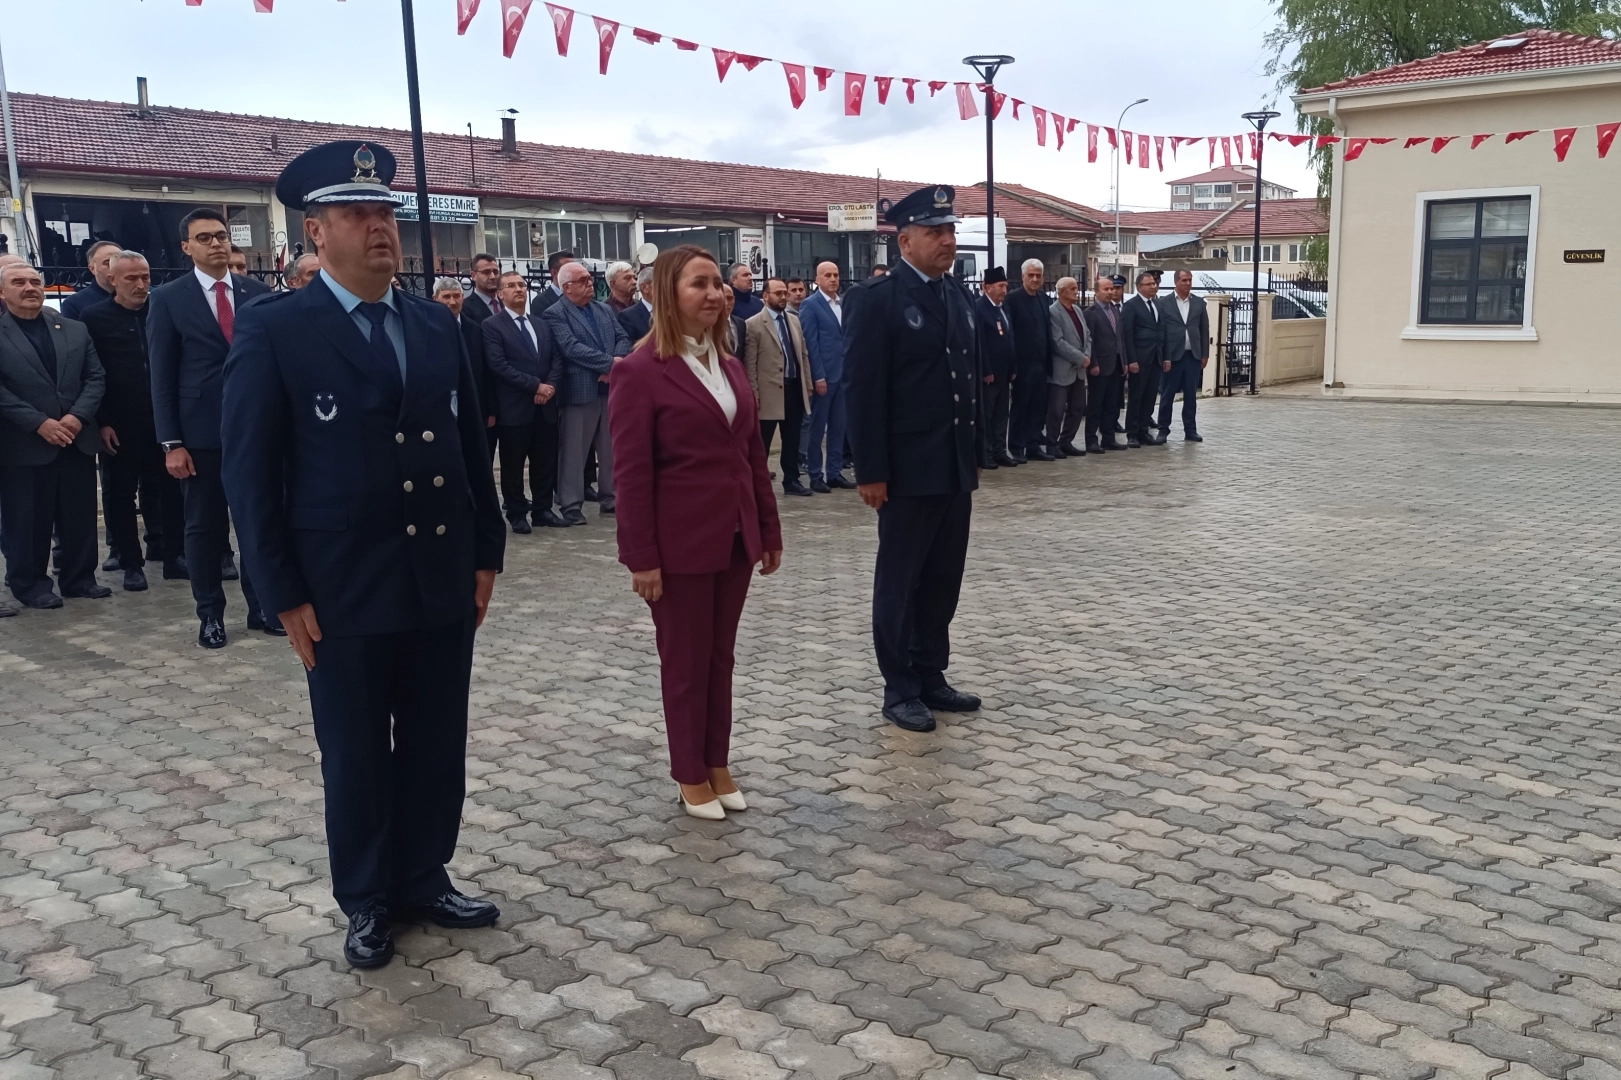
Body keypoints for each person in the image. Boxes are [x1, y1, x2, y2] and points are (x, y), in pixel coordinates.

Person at [221, 140, 506, 970]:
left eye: (386, 214)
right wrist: (279, 590)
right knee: (353, 751)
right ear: (316, 231)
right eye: (358, 215)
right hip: (340, 584)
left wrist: (485, 552)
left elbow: (468, 446)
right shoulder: (276, 329)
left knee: (434, 740)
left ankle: (422, 876)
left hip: (439, 571)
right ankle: (367, 897)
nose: (381, 229)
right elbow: (250, 472)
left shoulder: (434, 321)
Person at [609, 244, 782, 819]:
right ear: (668, 294)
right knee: (685, 663)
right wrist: (640, 556)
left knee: (719, 658)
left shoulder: (729, 365)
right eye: (698, 284)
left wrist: (768, 529)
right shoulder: (639, 372)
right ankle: (689, 772)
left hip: (734, 537)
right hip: (678, 545)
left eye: (716, 284)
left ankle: (716, 762)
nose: (714, 294)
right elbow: (631, 473)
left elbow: (751, 456)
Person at [844, 185, 985, 734]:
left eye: (950, 231)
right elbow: (864, 390)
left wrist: (973, 453)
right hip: (905, 469)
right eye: (935, 232)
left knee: (943, 578)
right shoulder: (876, 299)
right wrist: (872, 470)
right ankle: (899, 688)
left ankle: (930, 673)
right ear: (905, 241)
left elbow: (965, 382)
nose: (947, 240)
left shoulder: (958, 296)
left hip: (952, 465)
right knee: (900, 582)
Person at [149, 208, 277, 647]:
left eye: (221, 236)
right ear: (186, 247)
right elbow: (162, 376)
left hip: (255, 430)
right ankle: (210, 615)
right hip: (199, 435)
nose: (216, 243)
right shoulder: (169, 298)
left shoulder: (257, 293)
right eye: (204, 238)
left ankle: (262, 607)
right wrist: (171, 442)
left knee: (258, 523)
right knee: (204, 529)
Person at [0, 264, 109, 608]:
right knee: (28, 519)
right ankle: (31, 584)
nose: (29, 287)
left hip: (75, 438)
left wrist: (78, 416)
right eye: (18, 282)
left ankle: (79, 579)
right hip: (25, 443)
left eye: (35, 281)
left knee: (79, 515)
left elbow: (95, 377)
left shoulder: (74, 328)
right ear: (2, 293)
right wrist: (38, 422)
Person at [82, 251, 184, 590]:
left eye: (145, 277)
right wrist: (102, 421)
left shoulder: (163, 309)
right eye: (131, 278)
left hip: (163, 418)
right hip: (120, 422)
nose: (141, 284)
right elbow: (91, 372)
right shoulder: (94, 317)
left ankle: (174, 555)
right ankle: (131, 563)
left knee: (171, 490)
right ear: (113, 280)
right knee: (121, 494)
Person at [543, 260, 628, 525]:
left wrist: (616, 364)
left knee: (611, 448)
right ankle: (570, 503)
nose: (590, 284)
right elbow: (570, 347)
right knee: (574, 451)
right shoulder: (555, 313)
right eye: (583, 281)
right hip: (579, 390)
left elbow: (623, 338)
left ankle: (610, 497)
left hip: (609, 389)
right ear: (566, 287)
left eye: (590, 279)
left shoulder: (603, 309)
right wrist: (609, 364)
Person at [484, 270, 565, 532]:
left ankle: (543, 510)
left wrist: (550, 386)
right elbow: (498, 365)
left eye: (521, 284)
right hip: (515, 408)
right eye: (511, 285)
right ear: (500, 293)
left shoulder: (541, 324)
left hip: (545, 406)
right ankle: (517, 512)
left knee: (544, 462)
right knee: (513, 465)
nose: (518, 289)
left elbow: (556, 359)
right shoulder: (492, 326)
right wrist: (535, 385)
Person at [743, 277, 812, 497]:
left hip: (794, 388)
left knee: (792, 439)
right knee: (763, 442)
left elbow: (803, 354)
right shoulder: (753, 324)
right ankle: (757, 483)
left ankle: (791, 480)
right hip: (768, 392)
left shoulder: (793, 320)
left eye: (785, 293)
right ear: (765, 296)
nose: (784, 297)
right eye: (778, 293)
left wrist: (807, 384)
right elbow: (750, 364)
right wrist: (754, 394)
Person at [799, 259, 853, 492]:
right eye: (828, 275)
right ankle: (815, 474)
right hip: (824, 376)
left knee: (839, 427)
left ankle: (834, 472)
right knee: (817, 427)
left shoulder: (842, 303)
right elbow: (810, 343)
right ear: (817, 279)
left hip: (843, 375)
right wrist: (818, 376)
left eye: (836, 275)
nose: (833, 279)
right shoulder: (810, 305)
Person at [434, 276, 500, 460]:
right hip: (440, 408)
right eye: (446, 296)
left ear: (463, 298)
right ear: (435, 298)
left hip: (473, 406)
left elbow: (487, 371)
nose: (452, 302)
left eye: (457, 296)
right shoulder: (424, 329)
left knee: (476, 458)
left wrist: (491, 409)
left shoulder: (476, 330)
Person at [1004, 259, 1055, 462]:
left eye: (1038, 276)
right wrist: (1013, 364)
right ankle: (1016, 447)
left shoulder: (1043, 298)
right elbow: (1010, 332)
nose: (1034, 279)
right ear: (1023, 276)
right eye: (1031, 275)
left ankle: (1033, 446)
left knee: (1037, 407)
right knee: (1020, 407)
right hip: (1023, 363)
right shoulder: (1012, 299)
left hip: (1041, 362)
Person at [1157, 269, 1209, 443]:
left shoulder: (1199, 303)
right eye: (1184, 280)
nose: (1187, 283)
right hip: (1172, 356)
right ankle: (1163, 429)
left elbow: (1204, 329)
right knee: (1167, 395)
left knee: (1191, 395)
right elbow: (1161, 331)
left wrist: (1204, 354)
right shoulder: (1163, 303)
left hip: (1192, 356)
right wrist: (1164, 356)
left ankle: (1190, 430)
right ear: (1176, 282)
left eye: (1189, 280)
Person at [974, 267, 1017, 468]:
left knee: (1001, 415)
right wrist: (986, 370)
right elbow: (980, 343)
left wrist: (1013, 367)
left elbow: (1010, 339)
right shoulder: (979, 308)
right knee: (987, 415)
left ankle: (1000, 451)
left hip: (1004, 372)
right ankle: (986, 453)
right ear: (987, 287)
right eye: (1000, 286)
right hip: (989, 374)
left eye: (1006, 286)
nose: (1004, 290)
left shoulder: (1004, 308)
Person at [1046, 277, 1092, 458]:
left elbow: (1087, 335)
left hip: (1079, 370)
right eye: (1072, 289)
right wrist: (1080, 358)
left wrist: (1087, 355)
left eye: (1076, 288)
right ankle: (1051, 444)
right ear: (1061, 291)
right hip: (1062, 369)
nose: (1076, 291)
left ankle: (1066, 442)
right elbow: (1057, 342)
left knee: (1077, 408)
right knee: (1056, 410)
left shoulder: (1078, 310)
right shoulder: (1053, 312)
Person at [1120, 270, 1165, 448]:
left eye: (1154, 283)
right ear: (1139, 287)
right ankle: (1132, 433)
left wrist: (1165, 357)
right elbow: (1127, 335)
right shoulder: (1131, 306)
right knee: (1136, 396)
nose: (1153, 286)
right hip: (1139, 359)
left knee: (1150, 396)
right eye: (1149, 284)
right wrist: (1132, 360)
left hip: (1155, 358)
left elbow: (1162, 331)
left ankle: (1143, 430)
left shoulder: (1158, 304)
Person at [1083, 275, 1126, 452]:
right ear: (1096, 292)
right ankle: (1091, 440)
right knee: (1095, 405)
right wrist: (1093, 363)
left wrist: (1124, 361)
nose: (1110, 292)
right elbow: (1089, 340)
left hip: (1115, 365)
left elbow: (1120, 339)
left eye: (1112, 289)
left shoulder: (1115, 311)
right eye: (1106, 289)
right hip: (1099, 366)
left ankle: (1108, 438)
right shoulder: (1090, 313)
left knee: (1111, 404)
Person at [60, 239, 121, 320]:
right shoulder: (74, 303)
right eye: (108, 263)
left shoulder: (135, 297)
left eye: (120, 262)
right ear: (92, 269)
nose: (116, 267)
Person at [532, 249, 577, 314]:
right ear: (554, 273)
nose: (574, 273)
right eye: (568, 269)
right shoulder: (540, 302)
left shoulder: (579, 296)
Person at [618, 265, 654, 343]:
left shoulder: (671, 311)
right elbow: (630, 346)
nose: (666, 289)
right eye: (660, 285)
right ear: (645, 288)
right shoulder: (628, 316)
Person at [466, 253, 503, 320]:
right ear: (473, 275)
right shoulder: (465, 307)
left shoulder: (507, 302)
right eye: (486, 272)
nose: (493, 277)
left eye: (495, 272)